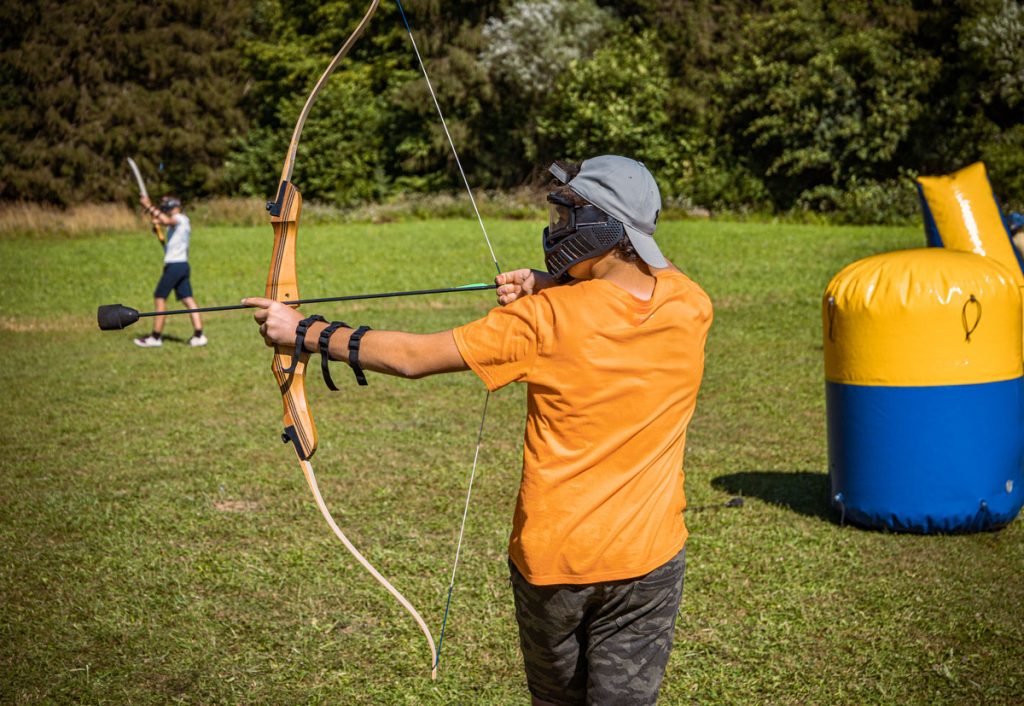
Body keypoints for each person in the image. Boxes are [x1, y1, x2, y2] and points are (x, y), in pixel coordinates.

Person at [246, 155, 712, 705]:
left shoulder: (543, 320)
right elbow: (643, 278)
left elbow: (414, 358)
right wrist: (552, 282)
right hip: (652, 561)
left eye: (568, 216)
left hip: (556, 568)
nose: (557, 227)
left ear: (601, 229)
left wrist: (304, 330)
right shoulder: (691, 303)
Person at [134, 195, 207, 348]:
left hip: (175, 266)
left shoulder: (180, 218)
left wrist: (148, 206)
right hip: (181, 265)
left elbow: (166, 220)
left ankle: (155, 337)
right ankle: (199, 335)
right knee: (188, 299)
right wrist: (157, 227)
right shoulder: (177, 223)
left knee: (159, 297)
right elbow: (165, 227)